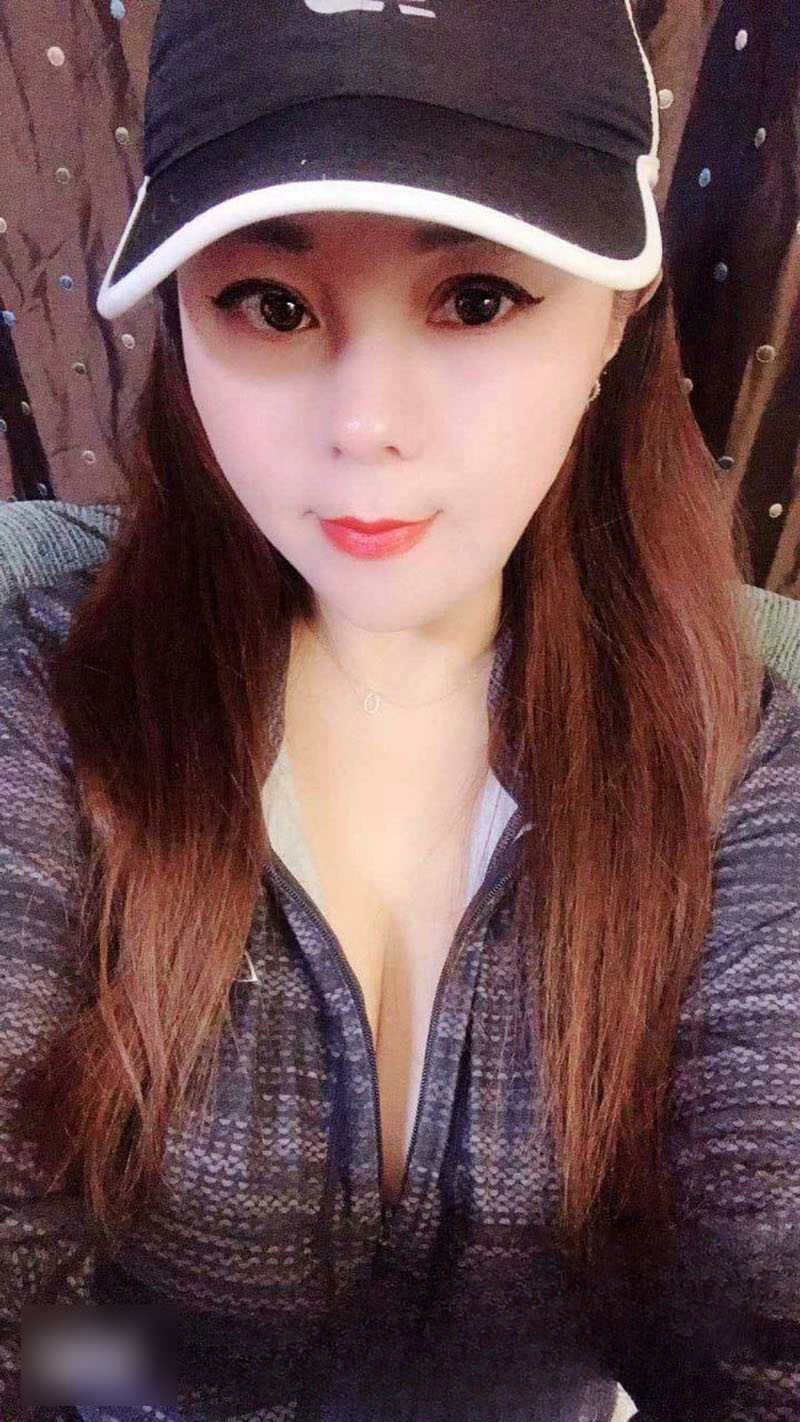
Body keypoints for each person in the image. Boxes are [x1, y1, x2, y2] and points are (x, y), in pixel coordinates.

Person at [1, 1, 798, 1419]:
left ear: (618, 315)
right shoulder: (48, 705)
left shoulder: (741, 764)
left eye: (476, 299)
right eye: (273, 304)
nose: (366, 423)